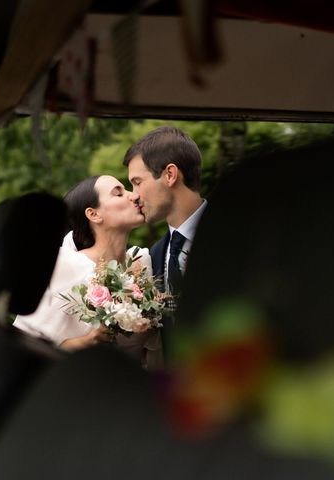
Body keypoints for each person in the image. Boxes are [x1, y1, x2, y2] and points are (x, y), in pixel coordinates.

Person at [14, 175, 163, 369]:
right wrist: (86, 342)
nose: (134, 196)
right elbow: (25, 350)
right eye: (119, 193)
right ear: (94, 214)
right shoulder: (66, 264)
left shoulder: (140, 262)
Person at [123, 125, 207, 301]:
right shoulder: (154, 255)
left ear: (170, 175)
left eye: (137, 182)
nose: (133, 195)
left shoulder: (237, 236)